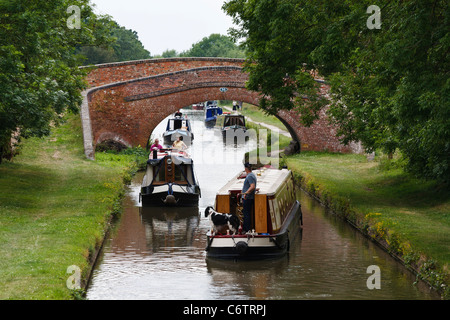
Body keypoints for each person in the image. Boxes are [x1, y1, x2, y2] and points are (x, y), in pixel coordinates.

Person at [241, 162, 257, 233]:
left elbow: (252, 186)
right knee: (246, 213)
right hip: (249, 198)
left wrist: (246, 193)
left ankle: (246, 229)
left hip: (247, 198)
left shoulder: (250, 176)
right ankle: (247, 228)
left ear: (245, 169)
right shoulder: (252, 175)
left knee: (246, 214)